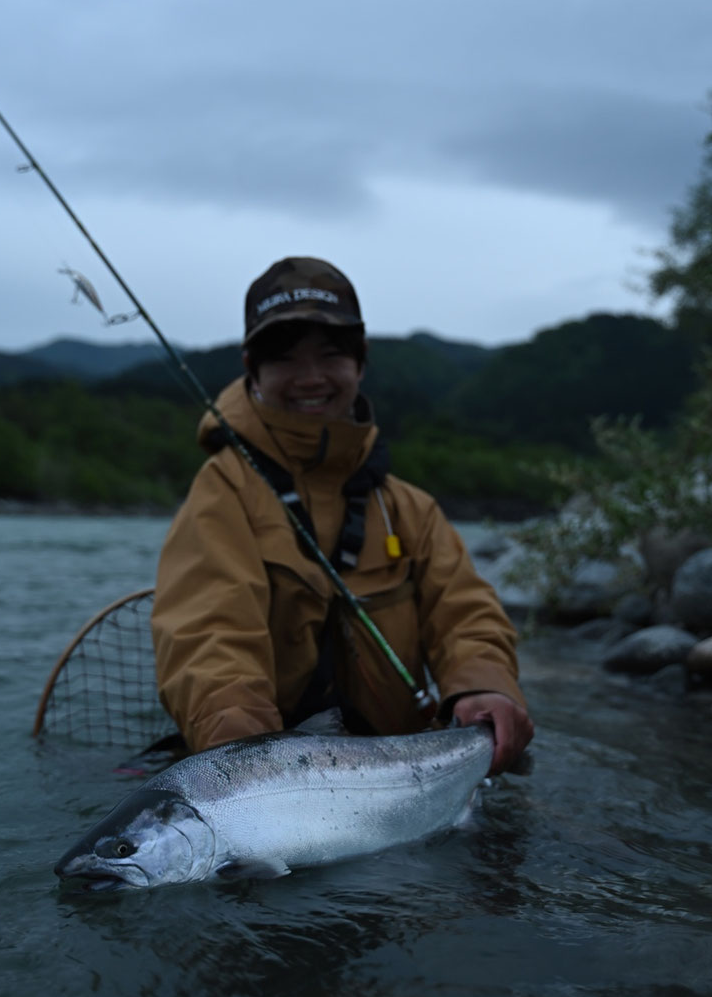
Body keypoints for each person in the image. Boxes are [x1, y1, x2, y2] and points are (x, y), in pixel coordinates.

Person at [152, 257, 534, 773]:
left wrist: (485, 685)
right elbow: (209, 638)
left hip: (402, 770)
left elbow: (464, 613)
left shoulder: (410, 508)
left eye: (330, 354)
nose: (310, 378)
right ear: (253, 369)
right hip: (269, 772)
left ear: (360, 361)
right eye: (285, 359)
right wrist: (250, 767)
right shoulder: (223, 491)